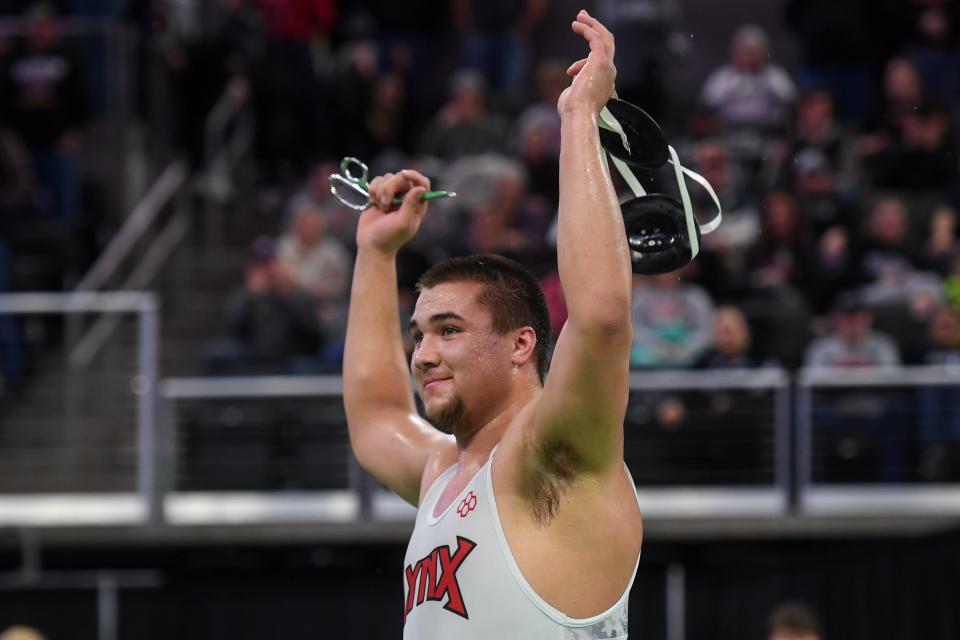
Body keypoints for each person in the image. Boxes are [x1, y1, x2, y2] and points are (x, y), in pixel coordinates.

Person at [343, 11, 642, 637]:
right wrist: (375, 255)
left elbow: (603, 317)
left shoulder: (552, 451)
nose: (423, 354)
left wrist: (578, 117)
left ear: (521, 344)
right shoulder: (441, 472)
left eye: (448, 330)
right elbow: (376, 420)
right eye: (420, 333)